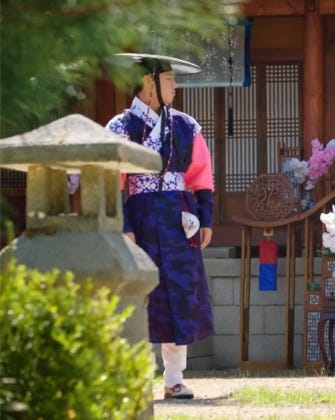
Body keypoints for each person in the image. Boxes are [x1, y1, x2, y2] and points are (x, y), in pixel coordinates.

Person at [107, 53, 215, 400]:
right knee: (136, 296)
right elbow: (111, 181)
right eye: (169, 79)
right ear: (149, 82)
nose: (176, 86)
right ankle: (131, 377)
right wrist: (122, 224)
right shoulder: (120, 127)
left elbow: (201, 176)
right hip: (138, 217)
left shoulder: (185, 125)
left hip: (177, 217)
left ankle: (174, 378)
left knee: (178, 295)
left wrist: (207, 216)